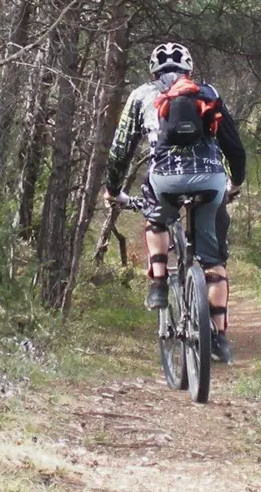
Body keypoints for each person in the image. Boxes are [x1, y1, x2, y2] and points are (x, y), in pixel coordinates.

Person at [104, 42, 247, 364]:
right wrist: (233, 183)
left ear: (153, 69)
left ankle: (157, 282)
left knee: (156, 220)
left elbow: (120, 150)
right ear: (189, 69)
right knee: (214, 263)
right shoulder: (208, 93)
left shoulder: (141, 95)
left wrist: (113, 189)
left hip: (164, 181)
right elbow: (234, 147)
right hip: (211, 181)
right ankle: (220, 337)